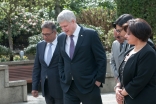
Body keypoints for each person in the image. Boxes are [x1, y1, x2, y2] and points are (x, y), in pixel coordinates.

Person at [57, 10, 106, 104]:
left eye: (65, 26)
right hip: (69, 86)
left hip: (89, 85)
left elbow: (101, 58)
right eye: (61, 27)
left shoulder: (90, 34)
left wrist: (99, 79)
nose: (63, 29)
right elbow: (61, 60)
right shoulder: (61, 37)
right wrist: (62, 76)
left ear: (73, 21)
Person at [114, 18, 156, 104]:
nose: (125, 36)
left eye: (128, 34)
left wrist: (121, 94)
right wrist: (118, 87)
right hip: (129, 99)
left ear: (138, 34)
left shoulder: (148, 53)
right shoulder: (130, 50)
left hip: (142, 99)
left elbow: (140, 80)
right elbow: (122, 72)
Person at [32, 21, 63, 104]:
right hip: (46, 88)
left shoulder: (63, 44)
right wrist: (35, 87)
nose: (45, 37)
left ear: (55, 32)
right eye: (43, 34)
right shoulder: (40, 45)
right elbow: (37, 67)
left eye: (47, 34)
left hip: (61, 88)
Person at [110, 14, 134, 79]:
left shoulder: (145, 45)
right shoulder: (129, 43)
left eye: (119, 31)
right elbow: (112, 62)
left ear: (127, 28)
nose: (118, 34)